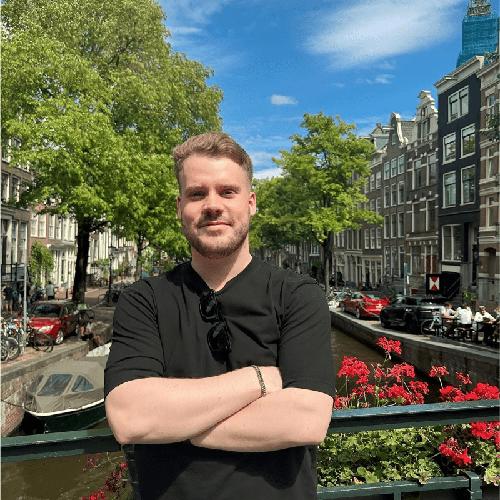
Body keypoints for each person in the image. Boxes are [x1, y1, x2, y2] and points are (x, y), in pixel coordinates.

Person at [104, 132, 335, 500]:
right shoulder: (143, 300)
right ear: (180, 206)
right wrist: (259, 379)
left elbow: (306, 420)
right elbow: (131, 417)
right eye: (197, 194)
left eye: (227, 192)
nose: (212, 205)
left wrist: (179, 424)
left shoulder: (298, 296)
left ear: (251, 203)